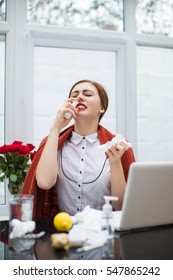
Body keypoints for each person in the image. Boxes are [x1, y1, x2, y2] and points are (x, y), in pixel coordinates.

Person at [22, 80, 135, 219]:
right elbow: (44, 183)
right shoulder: (54, 141)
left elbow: (122, 207)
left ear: (102, 108)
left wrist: (115, 162)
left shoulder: (118, 146)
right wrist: (55, 128)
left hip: (104, 232)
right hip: (63, 231)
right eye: (75, 95)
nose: (80, 97)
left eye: (87, 94)